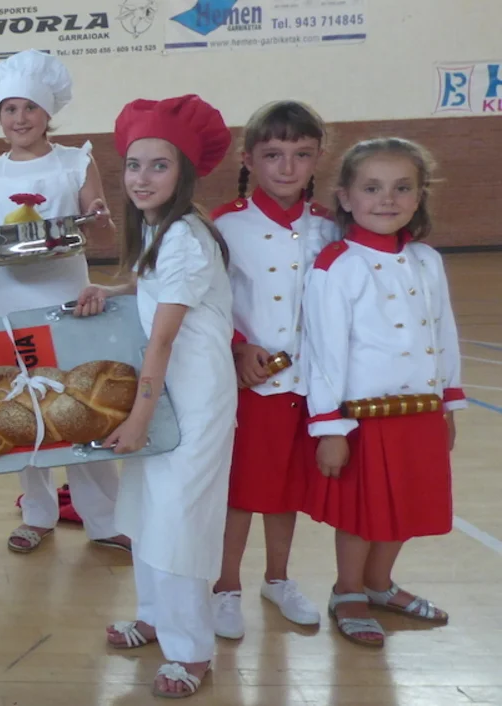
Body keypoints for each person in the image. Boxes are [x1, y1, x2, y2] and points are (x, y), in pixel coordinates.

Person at [80, 94, 235, 699]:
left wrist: (140, 416)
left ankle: (191, 649)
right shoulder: (158, 229)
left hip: (192, 397)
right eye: (134, 165)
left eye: (159, 166)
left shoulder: (187, 238)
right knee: (146, 510)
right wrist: (111, 290)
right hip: (165, 394)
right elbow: (155, 290)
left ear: (184, 173)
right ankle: (154, 616)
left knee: (178, 520)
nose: (142, 178)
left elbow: (165, 339)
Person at [0, 48, 129, 555]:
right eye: (10, 109)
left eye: (30, 108)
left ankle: (104, 519)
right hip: (5, 300)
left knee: (80, 402)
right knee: (18, 405)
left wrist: (99, 218)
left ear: (47, 113)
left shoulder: (75, 161)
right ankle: (37, 512)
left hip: (68, 298)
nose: (20, 118)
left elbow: (99, 228)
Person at [302, 137, 462, 647]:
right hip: (363, 419)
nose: (387, 199)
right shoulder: (336, 265)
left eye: (402, 188)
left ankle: (379, 583)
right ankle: (347, 590)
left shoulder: (427, 260)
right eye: (372, 188)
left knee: (407, 506)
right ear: (346, 198)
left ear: (419, 196)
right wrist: (330, 428)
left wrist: (447, 406)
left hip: (421, 413)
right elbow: (323, 354)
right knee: (363, 514)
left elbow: (443, 333)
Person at [208, 100, 338, 639]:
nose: (287, 167)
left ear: (317, 158)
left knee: (287, 489)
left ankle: (278, 579)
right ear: (249, 159)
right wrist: (238, 347)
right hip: (249, 384)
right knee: (241, 491)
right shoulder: (224, 224)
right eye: (273, 154)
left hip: (310, 386)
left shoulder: (331, 227)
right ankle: (225, 587)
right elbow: (208, 300)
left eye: (301, 154)